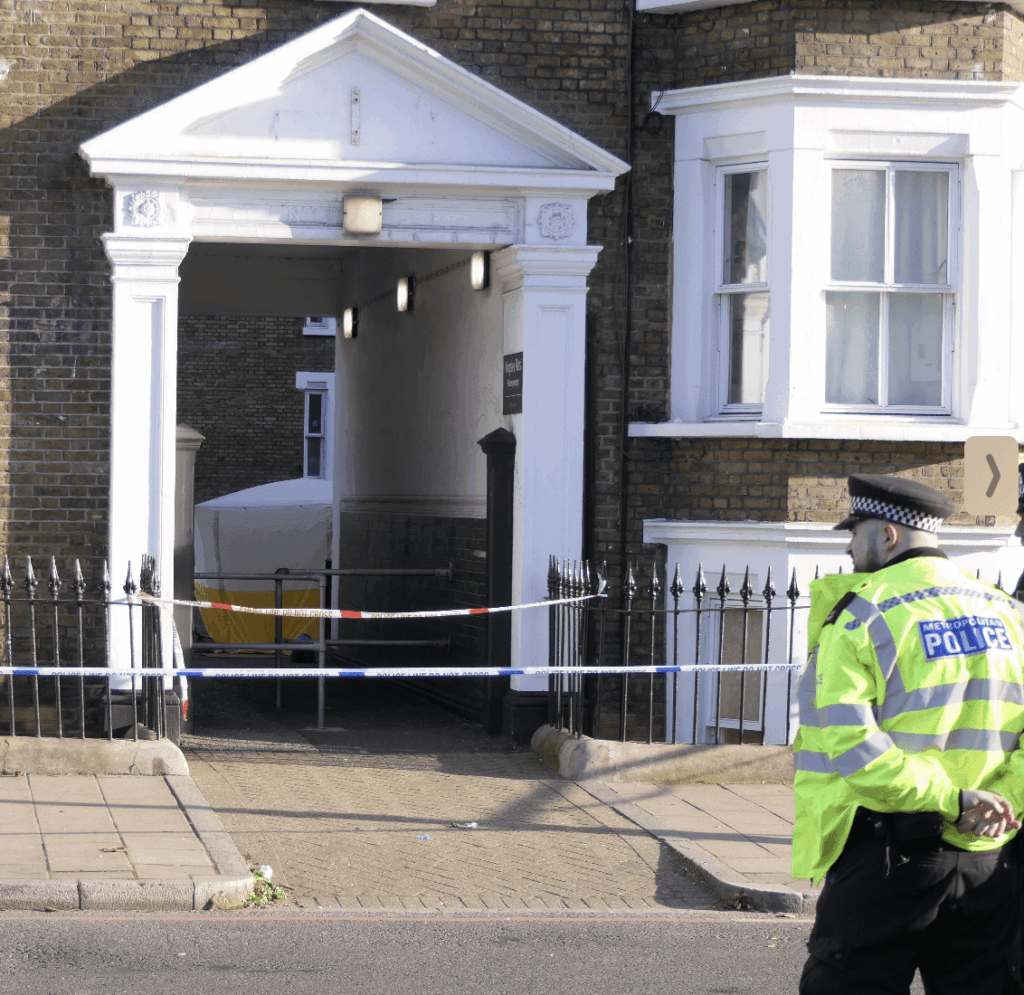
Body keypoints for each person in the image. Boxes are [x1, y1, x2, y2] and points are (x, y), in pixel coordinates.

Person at [794, 473, 1024, 995]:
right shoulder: (1009, 614)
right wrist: (1000, 803)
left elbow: (854, 747)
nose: (852, 547)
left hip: (889, 859)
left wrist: (953, 799)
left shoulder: (861, 614)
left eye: (856, 532)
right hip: (992, 859)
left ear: (888, 535)